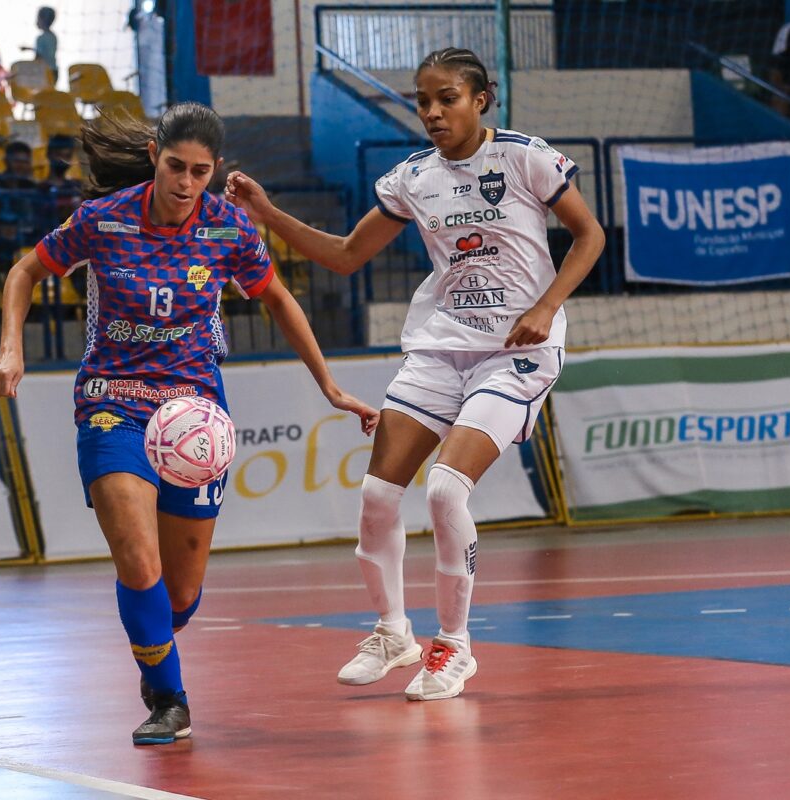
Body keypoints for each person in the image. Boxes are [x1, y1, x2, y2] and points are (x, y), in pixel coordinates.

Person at [0, 103, 380, 744]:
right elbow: (27, 268)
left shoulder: (228, 229)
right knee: (138, 562)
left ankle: (154, 653)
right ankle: (169, 700)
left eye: (200, 171)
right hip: (113, 401)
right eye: (175, 167)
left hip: (195, 412)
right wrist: (11, 347)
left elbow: (277, 298)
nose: (185, 183)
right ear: (153, 159)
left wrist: (331, 388)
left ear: (213, 170)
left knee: (178, 599)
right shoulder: (103, 221)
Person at [226, 47, 604, 701]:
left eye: (446, 98)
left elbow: (589, 234)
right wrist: (269, 216)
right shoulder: (412, 178)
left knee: (445, 491)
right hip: (439, 349)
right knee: (377, 496)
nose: (431, 111)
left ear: (481, 99)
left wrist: (547, 306)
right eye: (421, 101)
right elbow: (346, 256)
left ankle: (453, 647)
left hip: (515, 351)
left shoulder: (524, 157)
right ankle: (392, 633)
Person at [0, 141, 40, 275]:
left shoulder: (32, 188)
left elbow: (38, 221)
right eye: (17, 161)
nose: (21, 166)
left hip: (26, 239)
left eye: (25, 162)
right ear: (6, 161)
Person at [23, 6, 58, 84]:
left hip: (44, 73)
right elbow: (47, 53)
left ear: (43, 20)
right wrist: (29, 48)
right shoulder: (54, 37)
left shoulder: (40, 38)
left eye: (38, 18)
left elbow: (39, 57)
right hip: (54, 72)